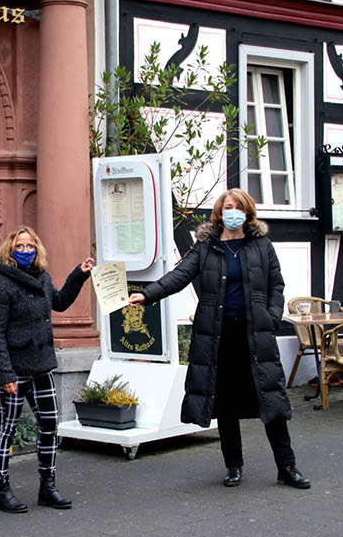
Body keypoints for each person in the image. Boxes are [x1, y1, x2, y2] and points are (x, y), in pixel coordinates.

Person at [127, 189, 310, 489]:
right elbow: (179, 275)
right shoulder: (206, 247)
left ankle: (287, 467)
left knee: (272, 401)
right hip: (218, 337)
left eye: (238, 207)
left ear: (248, 212)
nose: (232, 212)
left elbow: (276, 285)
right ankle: (233, 466)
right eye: (228, 207)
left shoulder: (261, 245)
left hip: (254, 335)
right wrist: (147, 295)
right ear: (219, 212)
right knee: (226, 404)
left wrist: (272, 317)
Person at [0, 226, 95, 513]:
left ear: (37, 250)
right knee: (6, 429)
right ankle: (1, 489)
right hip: (15, 369)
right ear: (10, 250)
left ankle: (48, 486)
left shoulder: (43, 278)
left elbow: (59, 303)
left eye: (30, 246)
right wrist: (5, 374)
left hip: (41, 366)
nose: (25, 251)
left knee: (49, 425)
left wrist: (79, 274)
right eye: (19, 247)